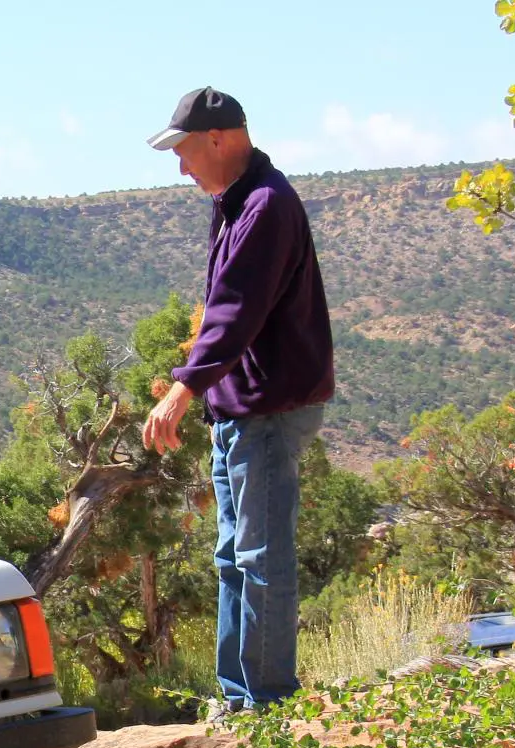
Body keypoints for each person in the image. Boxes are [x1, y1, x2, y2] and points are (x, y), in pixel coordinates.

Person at [141, 87, 334, 711]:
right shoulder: (236, 201)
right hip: (240, 407)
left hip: (269, 410)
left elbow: (234, 313)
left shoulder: (266, 205)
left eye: (186, 151)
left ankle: (268, 704)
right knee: (233, 557)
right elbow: (228, 312)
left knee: (260, 557)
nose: (181, 166)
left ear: (220, 139)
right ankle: (237, 695)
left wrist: (181, 389)